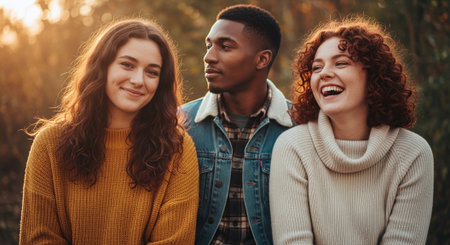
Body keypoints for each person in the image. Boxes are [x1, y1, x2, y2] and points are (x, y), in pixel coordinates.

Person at [19, 18, 199, 244]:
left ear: (160, 82)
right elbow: (39, 238)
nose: (138, 80)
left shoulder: (177, 149)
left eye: (152, 72)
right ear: (102, 67)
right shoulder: (50, 142)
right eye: (127, 65)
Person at [269, 16, 434, 244]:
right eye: (317, 67)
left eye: (341, 63)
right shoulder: (292, 146)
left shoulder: (413, 152)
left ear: (373, 74)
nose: (324, 73)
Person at [180, 4, 293, 245]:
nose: (209, 56)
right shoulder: (180, 123)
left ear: (262, 59)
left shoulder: (300, 126)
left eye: (225, 46)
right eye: (209, 45)